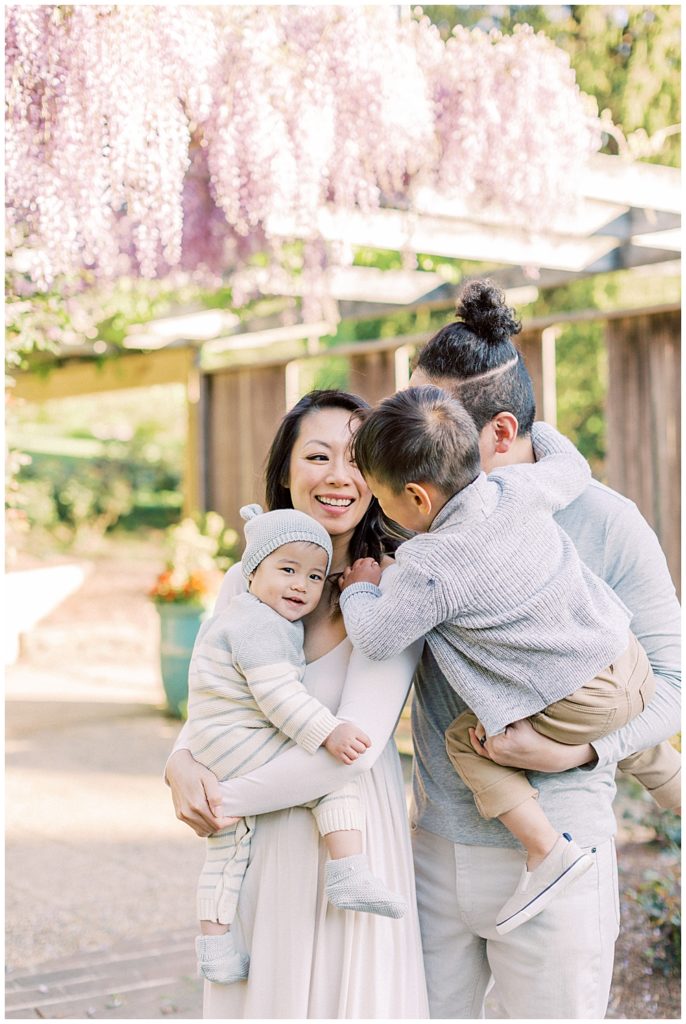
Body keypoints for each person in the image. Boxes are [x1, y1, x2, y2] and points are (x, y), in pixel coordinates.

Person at [406, 279, 681, 1018]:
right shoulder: (416, 509)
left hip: (562, 843)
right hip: (429, 846)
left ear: (499, 433)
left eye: (440, 436)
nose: (419, 456)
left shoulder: (608, 524)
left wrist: (582, 754)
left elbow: (676, 688)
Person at [338, 386, 680, 936]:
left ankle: (546, 852)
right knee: (617, 716)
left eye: (381, 497)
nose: (379, 508)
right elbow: (570, 464)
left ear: (417, 499)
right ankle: (676, 786)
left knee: (467, 742)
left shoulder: (429, 565)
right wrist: (533, 424)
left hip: (574, 703)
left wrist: (361, 588)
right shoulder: (515, 488)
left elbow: (376, 638)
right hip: (626, 665)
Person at [166, 390, 429, 1018]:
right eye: (317, 456)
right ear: (287, 471)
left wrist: (222, 800)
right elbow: (209, 694)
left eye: (357, 458)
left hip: (349, 841)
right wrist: (178, 763)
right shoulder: (242, 582)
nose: (338, 476)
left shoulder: (396, 586)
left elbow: (353, 750)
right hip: (260, 846)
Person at [189, 503, 406, 985]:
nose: (299, 585)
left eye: (313, 576)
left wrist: (211, 791)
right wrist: (328, 731)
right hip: (241, 746)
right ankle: (348, 869)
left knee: (226, 850)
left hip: (222, 748)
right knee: (331, 781)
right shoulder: (259, 624)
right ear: (253, 571)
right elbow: (279, 695)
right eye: (287, 570)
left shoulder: (258, 611)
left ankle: (215, 945)